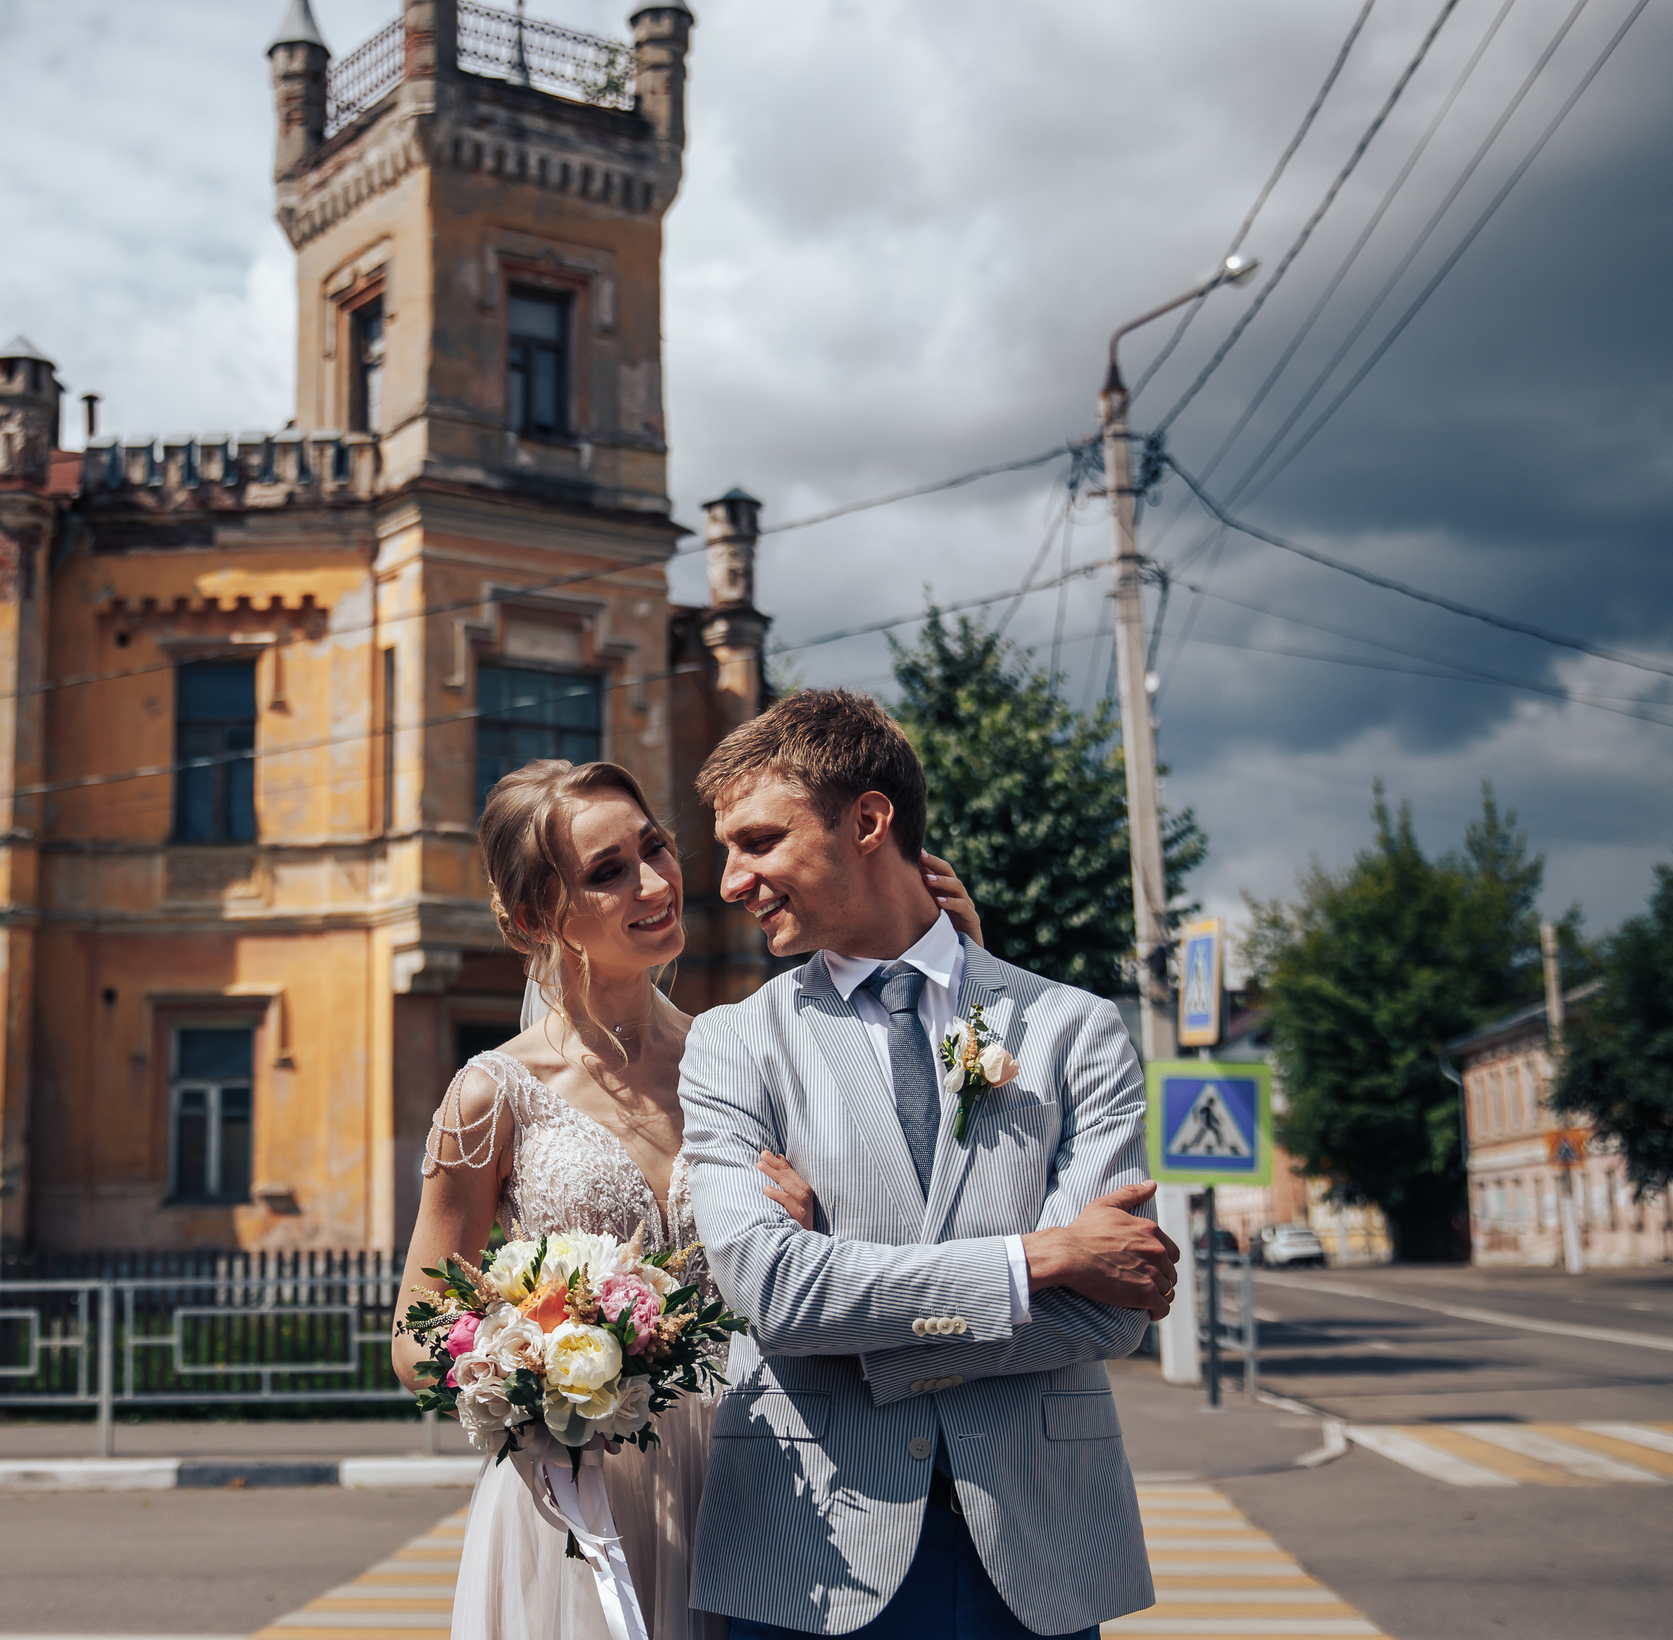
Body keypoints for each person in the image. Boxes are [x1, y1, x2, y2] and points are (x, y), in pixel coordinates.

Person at [393, 757, 984, 1640]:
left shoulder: (743, 1053)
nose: (656, 881)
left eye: (655, 847)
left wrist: (954, 975)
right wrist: (535, 1371)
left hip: (758, 1482)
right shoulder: (489, 1095)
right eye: (607, 872)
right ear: (534, 916)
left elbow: (904, 1195)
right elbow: (416, 1334)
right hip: (583, 1499)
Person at [679, 689, 1178, 1640]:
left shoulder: (1076, 1030)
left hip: (1037, 1553)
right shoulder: (733, 1042)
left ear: (868, 820)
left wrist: (843, 1284)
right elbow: (768, 1291)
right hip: (808, 1551)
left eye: (758, 840)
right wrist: (1042, 1258)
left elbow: (1106, 1315)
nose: (733, 881)